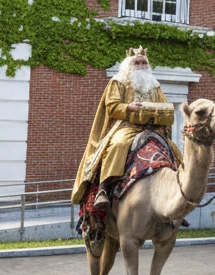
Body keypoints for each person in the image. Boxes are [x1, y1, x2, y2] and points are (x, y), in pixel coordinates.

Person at [72, 46, 179, 211]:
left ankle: (177, 192)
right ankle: (103, 187)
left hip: (152, 128)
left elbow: (164, 105)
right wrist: (128, 107)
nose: (141, 65)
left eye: (143, 63)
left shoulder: (154, 85)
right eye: (137, 62)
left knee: (172, 149)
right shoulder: (118, 81)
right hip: (127, 125)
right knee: (119, 144)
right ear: (129, 64)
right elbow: (112, 106)